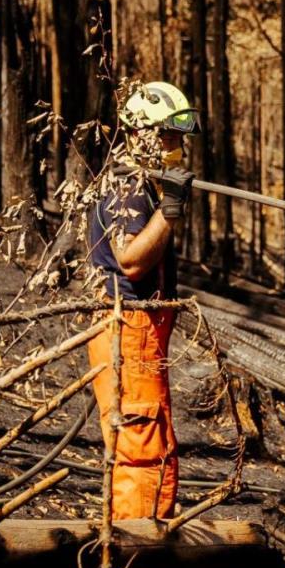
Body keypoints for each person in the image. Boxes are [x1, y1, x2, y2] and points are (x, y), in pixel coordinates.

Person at [86, 81, 200, 527]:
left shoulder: (144, 183)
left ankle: (149, 536)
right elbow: (130, 260)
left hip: (143, 331)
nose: (175, 146)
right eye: (166, 135)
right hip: (127, 328)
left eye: (177, 137)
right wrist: (170, 210)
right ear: (139, 133)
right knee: (140, 445)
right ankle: (134, 549)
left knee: (154, 439)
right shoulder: (126, 185)